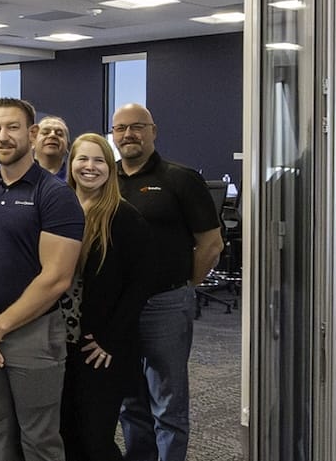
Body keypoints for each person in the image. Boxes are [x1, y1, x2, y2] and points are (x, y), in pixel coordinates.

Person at [0, 98, 83, 461]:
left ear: (32, 133)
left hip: (33, 334)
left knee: (39, 439)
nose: (3, 136)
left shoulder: (55, 195)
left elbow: (56, 278)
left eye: (12, 127)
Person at [111, 104, 222, 461]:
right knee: (130, 399)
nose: (129, 134)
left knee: (168, 401)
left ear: (153, 131)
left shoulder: (180, 178)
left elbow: (211, 243)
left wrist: (185, 283)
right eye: (120, 128)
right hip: (119, 306)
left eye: (137, 127)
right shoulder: (107, 178)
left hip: (165, 304)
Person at [59, 134, 152, 461]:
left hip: (99, 345)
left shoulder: (123, 216)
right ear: (71, 165)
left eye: (99, 160)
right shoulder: (59, 210)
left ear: (110, 168)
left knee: (95, 439)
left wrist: (110, 340)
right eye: (82, 159)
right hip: (59, 342)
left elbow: (140, 285)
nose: (90, 167)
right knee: (65, 433)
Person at [34, 116, 71, 180]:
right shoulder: (17, 176)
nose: (52, 135)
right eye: (45, 133)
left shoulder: (75, 181)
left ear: (68, 146)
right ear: (32, 142)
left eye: (59, 134)